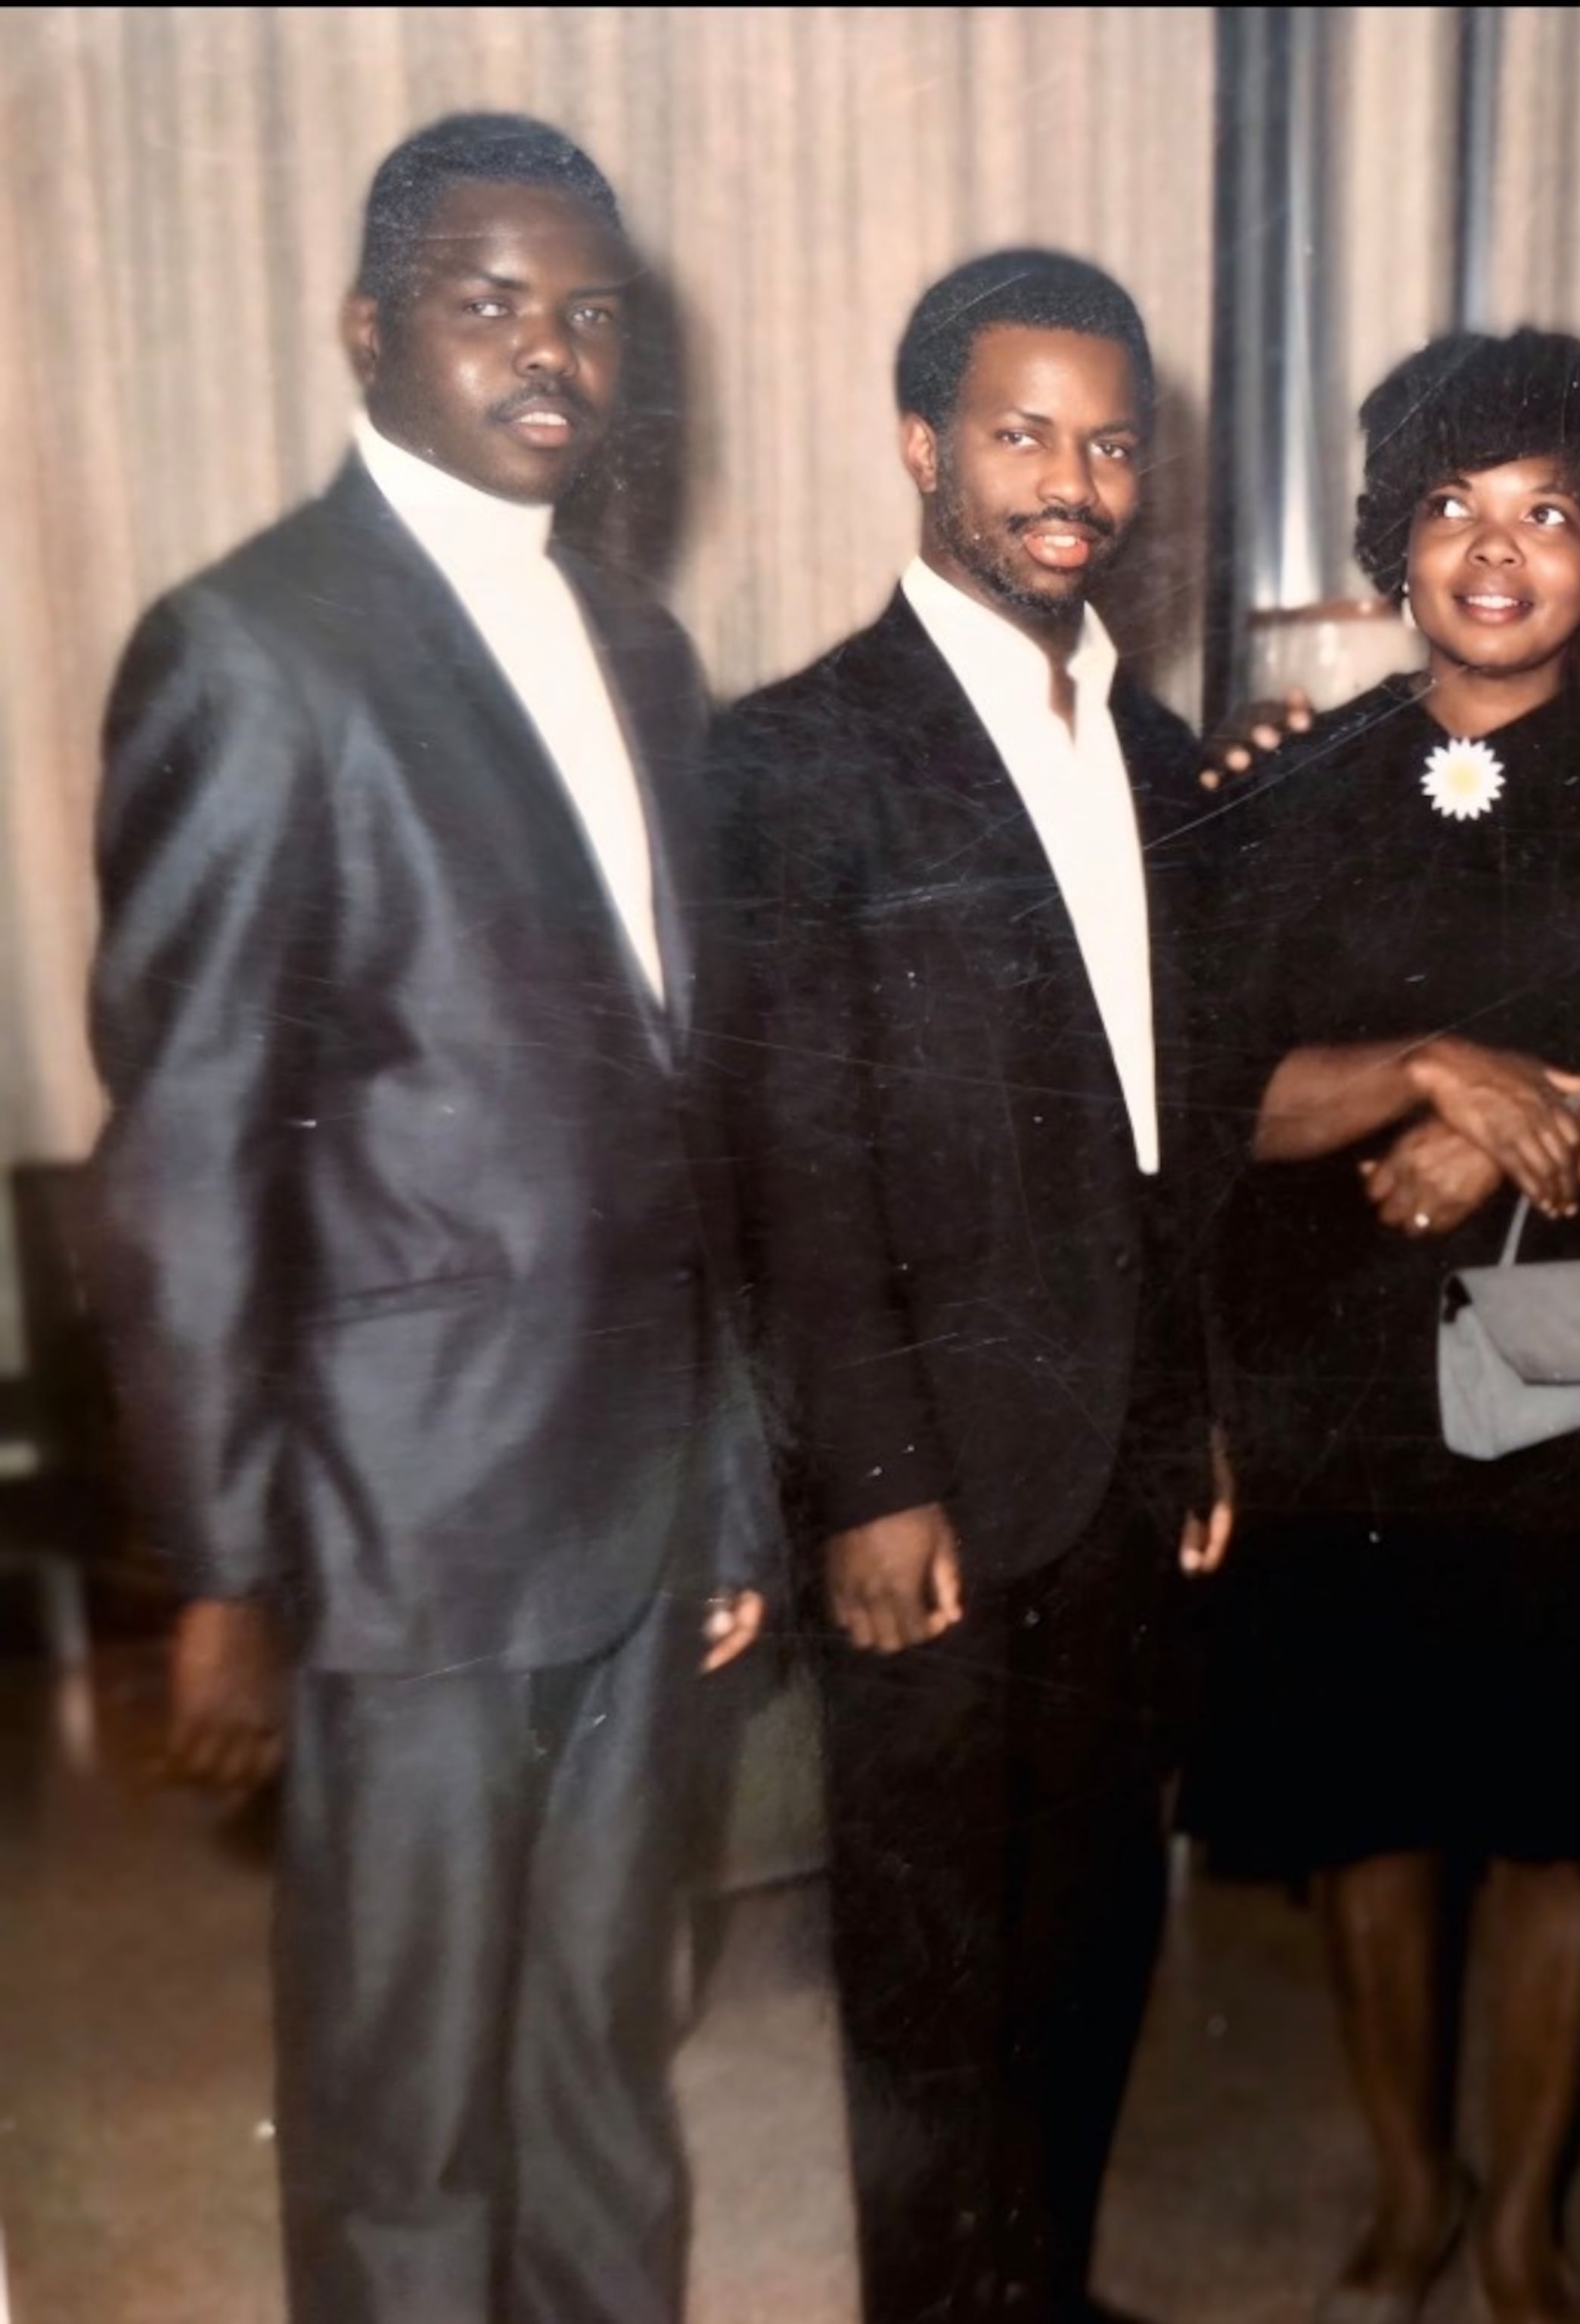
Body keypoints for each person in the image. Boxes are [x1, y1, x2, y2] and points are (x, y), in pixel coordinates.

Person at [85, 113, 771, 2322]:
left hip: (639, 1506)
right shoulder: (254, 651)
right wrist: (220, 1572)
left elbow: (688, 1114)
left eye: (590, 315)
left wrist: (730, 1483)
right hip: (405, 1528)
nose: (550, 353)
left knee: (603, 2061)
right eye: (489, 304)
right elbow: (188, 1154)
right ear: (369, 329)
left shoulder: (643, 647)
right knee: (409, 2111)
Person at [1181, 328, 1580, 2324]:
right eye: (1452, 509)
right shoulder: (1289, 792)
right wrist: (1418, 1071)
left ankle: (1525, 2217)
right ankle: (1411, 2187)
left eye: (1545, 515)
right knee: (1372, 1819)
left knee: (1567, 1830)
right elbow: (1214, 1095)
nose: (1494, 552)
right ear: (1395, 544)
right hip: (1338, 1384)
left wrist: (1518, 1131)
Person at [707, 248, 1228, 2324]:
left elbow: (1170, 1126)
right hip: (926, 1476)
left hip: (1123, 1467)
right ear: (924, 446)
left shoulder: (1164, 751)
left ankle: (1049, 2291)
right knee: (930, 1963)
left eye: (1110, 444)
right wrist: (871, 1478)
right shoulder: (796, 754)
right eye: (1023, 435)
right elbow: (794, 1156)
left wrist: (1196, 1413)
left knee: (1091, 1925)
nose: (1072, 485)